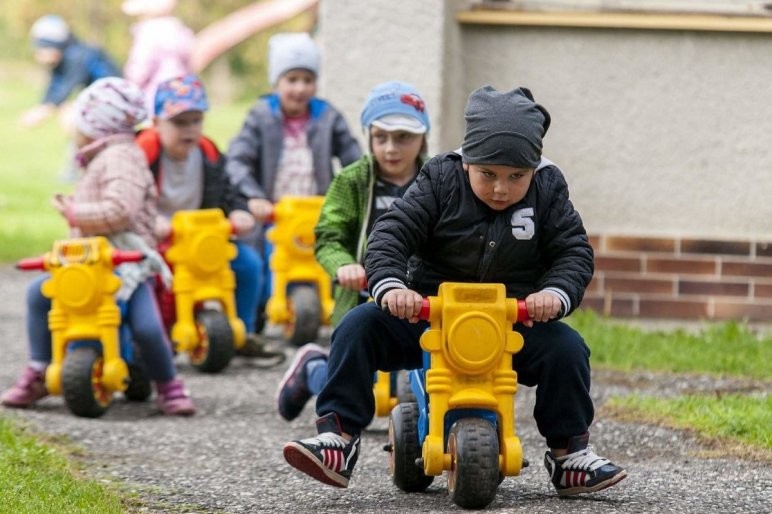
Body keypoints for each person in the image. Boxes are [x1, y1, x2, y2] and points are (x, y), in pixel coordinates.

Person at [282, 86, 628, 496]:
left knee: (567, 350)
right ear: (467, 163)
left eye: (516, 177)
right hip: (430, 315)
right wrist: (393, 286)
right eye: (489, 175)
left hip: (511, 320)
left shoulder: (548, 189)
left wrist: (554, 294)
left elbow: (573, 251)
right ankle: (338, 437)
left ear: (534, 168)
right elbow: (391, 234)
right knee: (358, 326)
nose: (501, 188)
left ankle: (569, 454)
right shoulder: (440, 178)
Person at [1, 77, 195, 416]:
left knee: (147, 326)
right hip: (89, 265)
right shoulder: (104, 156)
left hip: (126, 263)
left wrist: (77, 212)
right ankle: (39, 369)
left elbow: (121, 211)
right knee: (39, 295)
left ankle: (168, 385)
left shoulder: (121, 157)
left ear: (96, 125)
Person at [275, 81, 431, 421]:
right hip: (361, 291)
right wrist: (343, 265)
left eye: (403, 137)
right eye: (380, 137)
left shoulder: (437, 180)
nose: (391, 148)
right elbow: (328, 235)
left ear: (422, 138)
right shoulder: (353, 181)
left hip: (421, 296)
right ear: (369, 136)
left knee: (437, 362)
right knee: (351, 378)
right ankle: (312, 369)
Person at [134, 74, 276, 358]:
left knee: (247, 264)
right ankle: (155, 338)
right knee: (155, 280)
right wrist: (149, 221)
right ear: (156, 123)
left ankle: (243, 331)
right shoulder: (144, 153)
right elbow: (131, 196)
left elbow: (228, 189)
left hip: (203, 240)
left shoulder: (207, 152)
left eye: (195, 121)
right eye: (179, 122)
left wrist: (238, 210)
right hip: (159, 239)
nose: (189, 130)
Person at [225, 32, 362, 316]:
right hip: (273, 210)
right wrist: (253, 196)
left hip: (315, 209)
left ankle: (337, 307)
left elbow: (352, 157)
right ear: (277, 82)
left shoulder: (326, 116)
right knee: (265, 257)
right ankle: (261, 311)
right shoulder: (261, 115)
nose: (300, 88)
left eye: (307, 80)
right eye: (292, 80)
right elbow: (237, 159)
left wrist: (353, 191)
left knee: (332, 252)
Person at [20, 14, 121, 129]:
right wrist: (42, 105)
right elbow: (55, 84)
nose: (37, 55)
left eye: (40, 49)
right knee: (68, 111)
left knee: (70, 114)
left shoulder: (77, 56)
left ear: (53, 46)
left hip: (113, 98)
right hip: (102, 96)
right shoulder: (64, 56)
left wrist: (42, 111)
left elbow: (67, 86)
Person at [121, 0, 196, 115]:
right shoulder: (180, 32)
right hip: (181, 96)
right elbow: (190, 63)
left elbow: (139, 70)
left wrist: (129, 85)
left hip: (154, 99)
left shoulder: (148, 33)